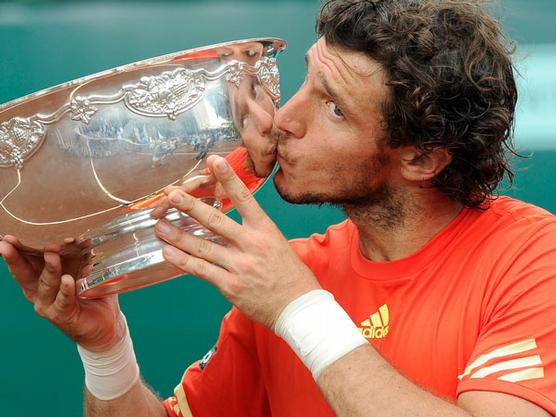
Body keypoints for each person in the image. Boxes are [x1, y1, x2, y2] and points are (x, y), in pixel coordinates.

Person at [1, 1, 555, 416]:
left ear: (420, 158)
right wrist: (105, 348)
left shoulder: (534, 259)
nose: (285, 119)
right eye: (306, 83)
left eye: (334, 107)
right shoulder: (293, 277)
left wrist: (299, 311)